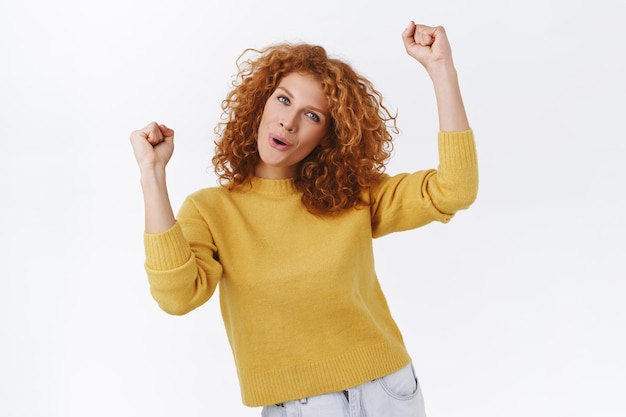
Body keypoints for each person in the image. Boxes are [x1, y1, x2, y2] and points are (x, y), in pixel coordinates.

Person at [130, 21, 478, 417]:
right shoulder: (212, 210)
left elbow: (455, 189)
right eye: (282, 100)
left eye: (312, 116)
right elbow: (177, 297)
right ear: (260, 102)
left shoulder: (351, 195)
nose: (289, 122)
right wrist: (152, 175)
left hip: (386, 391)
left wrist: (441, 69)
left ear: (328, 136)